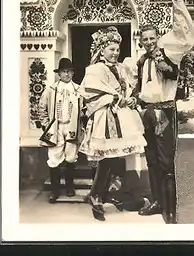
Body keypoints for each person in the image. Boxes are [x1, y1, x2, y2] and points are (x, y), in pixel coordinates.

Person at [131, 0, 194, 224]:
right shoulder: (141, 61)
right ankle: (158, 202)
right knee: (151, 161)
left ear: (156, 38)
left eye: (151, 38)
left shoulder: (169, 54)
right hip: (147, 114)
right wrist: (134, 100)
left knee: (166, 164)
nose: (148, 42)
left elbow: (187, 36)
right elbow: (139, 87)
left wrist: (178, 0)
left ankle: (171, 212)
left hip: (165, 114)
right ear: (140, 41)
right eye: (144, 39)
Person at [79, 26, 152, 221]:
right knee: (106, 158)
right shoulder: (94, 70)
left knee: (118, 156)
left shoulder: (122, 68)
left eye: (117, 50)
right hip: (106, 116)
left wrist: (131, 99)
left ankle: (115, 192)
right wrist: (118, 99)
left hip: (123, 116)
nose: (115, 53)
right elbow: (92, 94)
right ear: (101, 50)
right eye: (111, 49)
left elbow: (129, 89)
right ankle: (96, 193)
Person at [38, 58, 84, 203]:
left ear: (73, 73)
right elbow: (41, 107)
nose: (66, 75)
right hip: (56, 127)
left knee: (71, 156)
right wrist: (46, 124)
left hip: (71, 126)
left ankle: (69, 187)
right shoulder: (51, 90)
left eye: (69, 72)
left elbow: (84, 108)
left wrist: (81, 120)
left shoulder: (78, 89)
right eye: (64, 72)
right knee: (54, 157)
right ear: (59, 74)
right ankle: (55, 190)